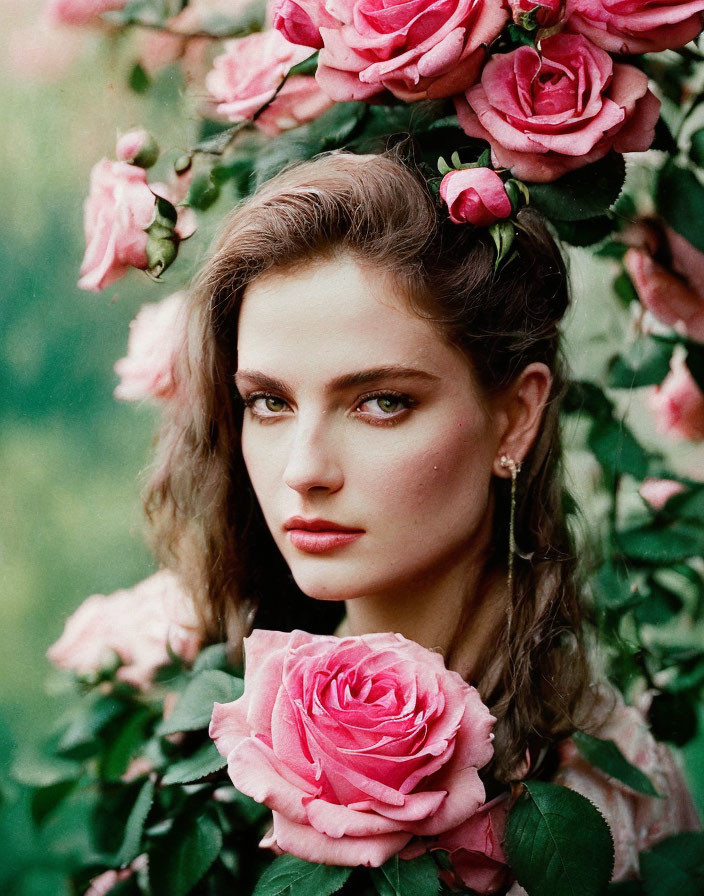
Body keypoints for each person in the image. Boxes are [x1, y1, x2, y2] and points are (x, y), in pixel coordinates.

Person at [143, 149, 699, 885]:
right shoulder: (207, 750)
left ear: (514, 417)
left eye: (381, 402)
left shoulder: (609, 788)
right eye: (269, 402)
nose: (304, 469)